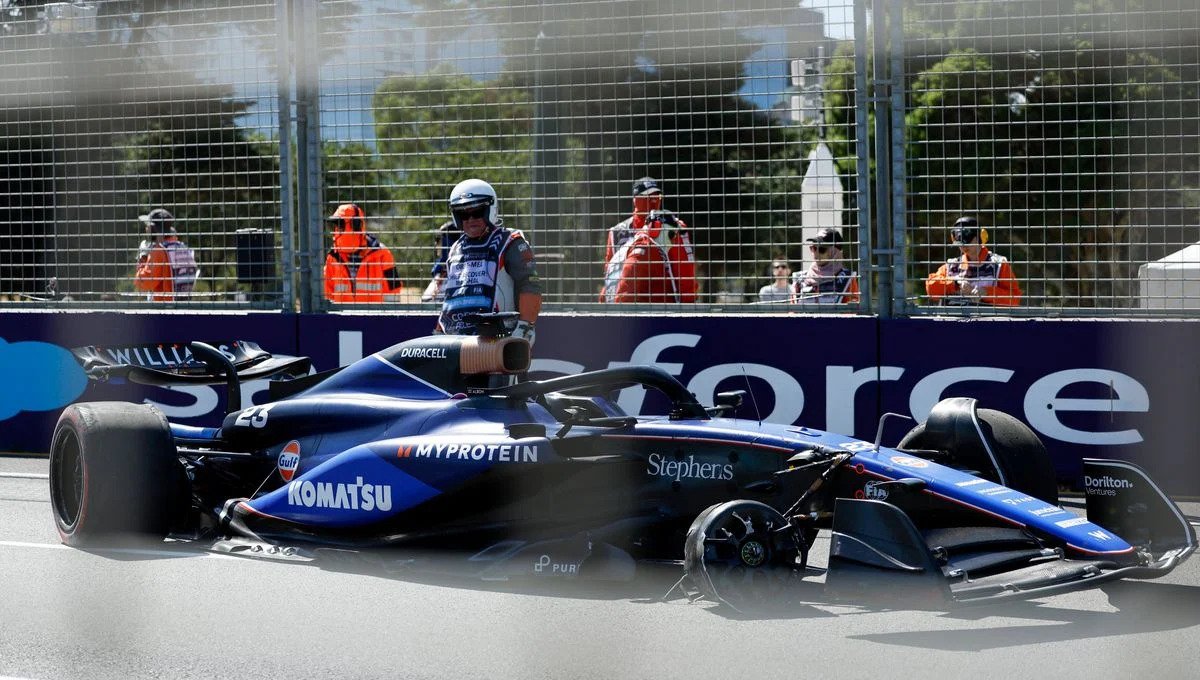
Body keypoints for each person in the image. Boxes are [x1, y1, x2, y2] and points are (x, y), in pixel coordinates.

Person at [436, 179, 541, 344]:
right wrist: (439, 332)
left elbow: (530, 284)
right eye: (464, 214)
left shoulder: (510, 242)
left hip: (498, 338)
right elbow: (450, 298)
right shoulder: (455, 248)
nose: (471, 219)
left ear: (490, 210)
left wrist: (524, 327)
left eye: (477, 212)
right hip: (455, 340)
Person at [602, 177, 697, 303]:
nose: (653, 200)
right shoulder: (617, 232)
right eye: (647, 196)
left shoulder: (673, 226)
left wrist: (688, 304)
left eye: (657, 196)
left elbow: (685, 268)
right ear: (635, 200)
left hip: (664, 302)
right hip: (628, 301)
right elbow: (611, 271)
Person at [925, 216, 1021, 306]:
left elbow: (1014, 299)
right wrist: (954, 283)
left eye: (967, 242)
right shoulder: (952, 265)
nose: (963, 246)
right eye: (960, 243)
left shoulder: (999, 265)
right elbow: (931, 288)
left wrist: (987, 293)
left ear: (980, 237)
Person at [323, 203, 403, 303]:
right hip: (342, 317)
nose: (337, 230)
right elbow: (327, 293)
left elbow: (393, 292)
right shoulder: (333, 256)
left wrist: (388, 316)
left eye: (341, 225)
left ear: (356, 225)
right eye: (337, 226)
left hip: (374, 317)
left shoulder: (382, 254)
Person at [134, 208, 199, 302]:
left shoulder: (160, 251)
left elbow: (145, 283)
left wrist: (143, 259)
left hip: (165, 310)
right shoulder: (184, 248)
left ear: (153, 228)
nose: (146, 229)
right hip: (183, 306)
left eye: (148, 226)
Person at [793, 228, 860, 304]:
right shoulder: (800, 279)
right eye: (814, 248)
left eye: (821, 249)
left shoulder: (847, 279)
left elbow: (851, 312)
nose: (816, 253)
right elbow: (793, 312)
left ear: (835, 252)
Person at [421, 219, 462, 302]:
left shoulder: (456, 272)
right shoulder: (440, 271)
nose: (436, 244)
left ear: (449, 243)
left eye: (438, 239)